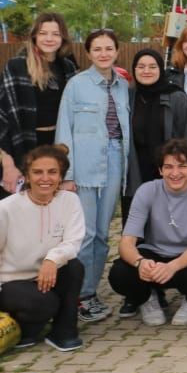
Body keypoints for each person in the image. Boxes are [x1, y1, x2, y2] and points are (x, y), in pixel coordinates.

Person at [0, 145, 86, 351]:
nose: (45, 178)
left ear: (61, 177)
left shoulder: (70, 201)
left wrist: (52, 259)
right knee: (46, 303)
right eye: (37, 172)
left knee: (74, 267)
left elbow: (73, 241)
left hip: (47, 274)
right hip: (13, 283)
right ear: (26, 176)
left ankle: (64, 332)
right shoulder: (6, 208)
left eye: (52, 172)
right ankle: (24, 328)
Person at [55, 28, 130, 325]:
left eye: (108, 48)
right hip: (83, 165)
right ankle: (79, 296)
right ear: (88, 53)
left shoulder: (123, 85)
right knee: (84, 234)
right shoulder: (76, 85)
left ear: (116, 51)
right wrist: (67, 173)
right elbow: (64, 129)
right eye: (97, 49)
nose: (103, 53)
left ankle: (90, 292)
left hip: (115, 160)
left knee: (101, 233)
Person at [108, 138, 187, 326]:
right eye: (168, 167)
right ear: (160, 170)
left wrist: (172, 267)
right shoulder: (146, 190)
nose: (175, 173)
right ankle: (147, 299)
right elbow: (126, 243)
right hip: (154, 255)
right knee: (119, 273)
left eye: (182, 166)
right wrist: (140, 262)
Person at [0, 12, 78, 197]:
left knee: (53, 210)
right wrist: (8, 164)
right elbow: (1, 119)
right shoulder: (17, 67)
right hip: (24, 146)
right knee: (20, 211)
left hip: (58, 147)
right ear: (34, 35)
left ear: (63, 38)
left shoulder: (68, 68)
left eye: (55, 34)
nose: (49, 38)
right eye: (43, 33)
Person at [126, 49, 187, 223]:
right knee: (137, 226)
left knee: (169, 225)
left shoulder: (177, 98)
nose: (146, 71)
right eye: (141, 66)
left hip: (170, 172)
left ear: (161, 69)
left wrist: (186, 172)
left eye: (152, 66)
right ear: (134, 70)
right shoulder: (128, 98)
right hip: (137, 172)